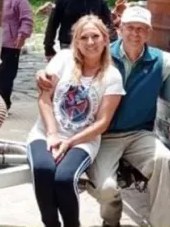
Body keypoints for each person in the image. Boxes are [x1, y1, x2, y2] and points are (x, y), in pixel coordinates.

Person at [37, 6, 170, 227]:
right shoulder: (101, 54)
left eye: (142, 29)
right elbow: (67, 68)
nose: (135, 34)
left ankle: (163, 223)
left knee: (164, 160)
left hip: (138, 134)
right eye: (130, 28)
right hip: (102, 134)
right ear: (120, 28)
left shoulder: (158, 60)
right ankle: (111, 221)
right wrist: (43, 74)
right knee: (107, 190)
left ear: (149, 32)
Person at [27, 15, 126, 227]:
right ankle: (51, 223)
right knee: (43, 171)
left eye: (95, 36)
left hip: (82, 139)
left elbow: (102, 122)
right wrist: (53, 134)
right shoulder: (63, 59)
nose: (90, 42)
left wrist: (69, 143)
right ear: (76, 42)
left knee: (64, 179)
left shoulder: (113, 76)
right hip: (47, 131)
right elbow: (45, 99)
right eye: (84, 37)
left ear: (106, 39)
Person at [43, 0, 114, 62]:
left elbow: (108, 22)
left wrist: (112, 44)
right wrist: (48, 46)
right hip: (68, 43)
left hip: (92, 43)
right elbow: (53, 22)